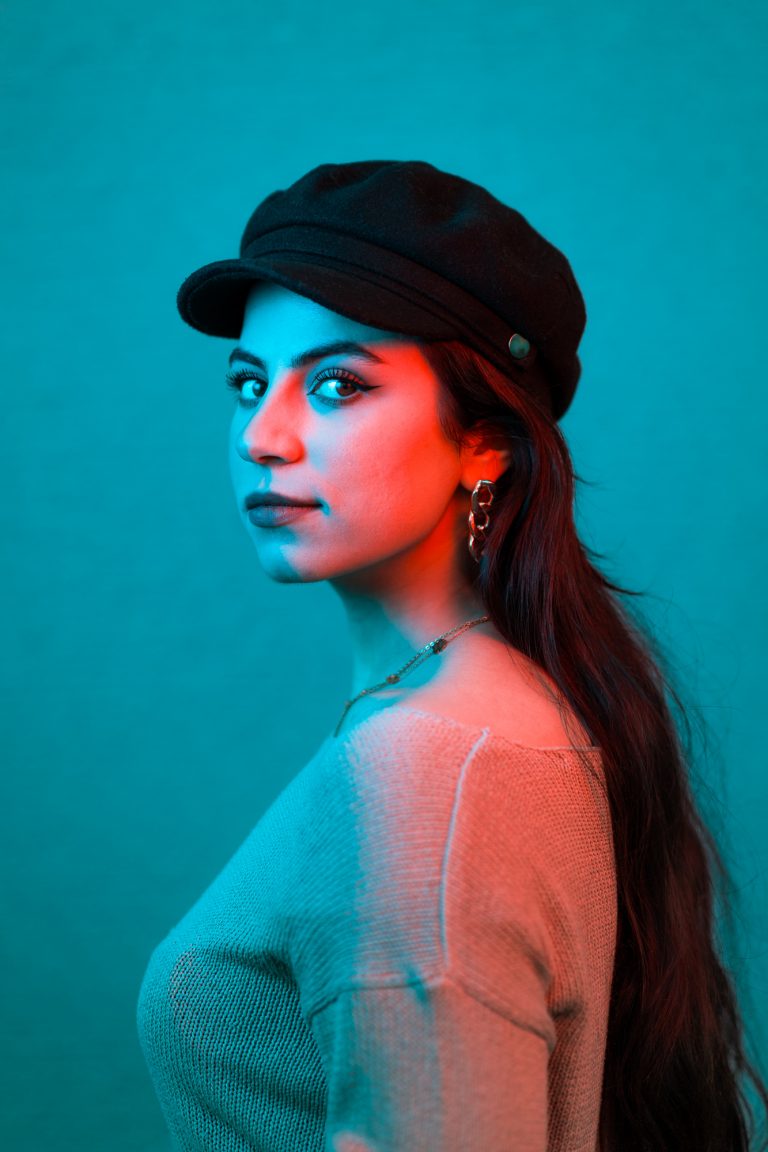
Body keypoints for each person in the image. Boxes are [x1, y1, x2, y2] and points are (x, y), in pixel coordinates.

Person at [136, 160, 768, 1151]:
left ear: (485, 442)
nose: (264, 436)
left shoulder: (436, 773)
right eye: (248, 382)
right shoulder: (472, 717)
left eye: (338, 384)